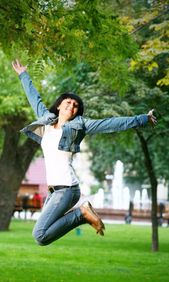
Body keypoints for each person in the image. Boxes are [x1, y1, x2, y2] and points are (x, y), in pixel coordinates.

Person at [12, 59, 157, 246]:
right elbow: (35, 99)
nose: (71, 106)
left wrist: (142, 119)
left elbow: (110, 124)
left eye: (75, 106)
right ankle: (81, 214)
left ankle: (82, 214)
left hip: (66, 189)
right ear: (59, 105)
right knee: (42, 237)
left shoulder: (79, 125)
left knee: (39, 235)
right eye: (68, 102)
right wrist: (23, 75)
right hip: (53, 191)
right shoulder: (46, 122)